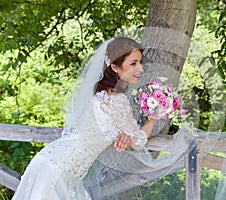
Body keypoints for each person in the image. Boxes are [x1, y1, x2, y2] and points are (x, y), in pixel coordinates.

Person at [12, 37, 157, 200]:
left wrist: (126, 137)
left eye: (140, 62)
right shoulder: (116, 99)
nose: (141, 69)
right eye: (133, 63)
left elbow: (117, 133)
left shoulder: (99, 93)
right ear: (115, 67)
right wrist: (154, 117)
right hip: (60, 169)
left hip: (51, 160)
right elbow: (138, 141)